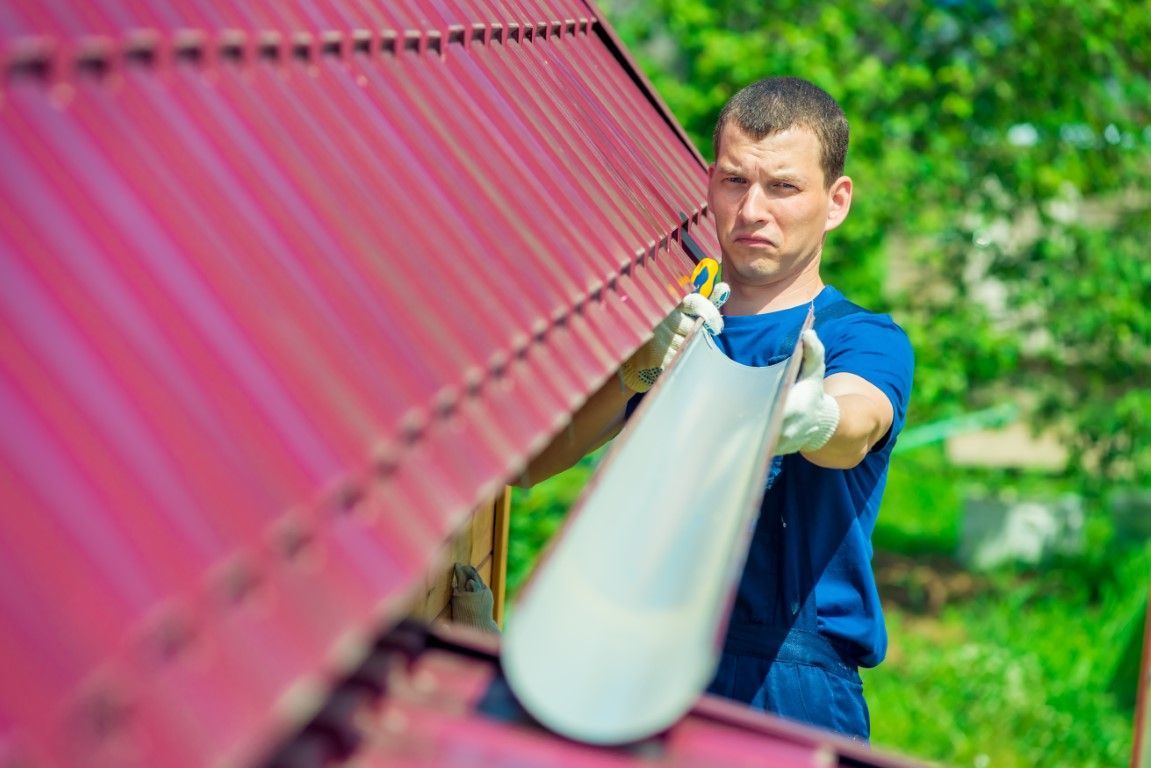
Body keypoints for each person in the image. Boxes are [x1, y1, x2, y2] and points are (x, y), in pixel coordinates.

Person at [518, 76, 913, 742]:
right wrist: (638, 366)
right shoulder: (669, 317)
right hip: (636, 660)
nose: (752, 210)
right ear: (710, 181)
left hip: (789, 683)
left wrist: (813, 420)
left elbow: (855, 421)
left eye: (783, 187)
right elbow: (529, 464)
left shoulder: (860, 339)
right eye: (735, 182)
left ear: (835, 200)